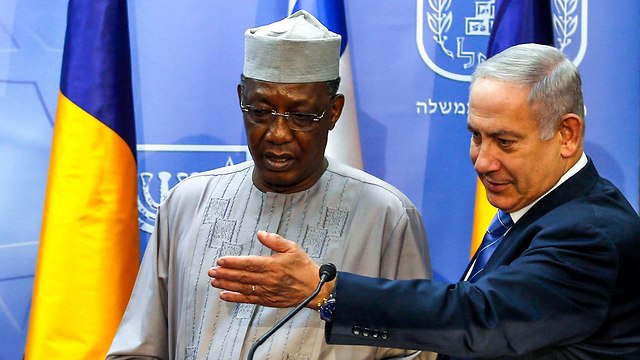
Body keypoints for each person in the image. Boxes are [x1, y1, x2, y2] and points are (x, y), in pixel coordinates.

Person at [209, 43, 640, 359]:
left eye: (505, 142)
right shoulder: (534, 215)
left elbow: (480, 319)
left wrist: (326, 291)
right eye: (476, 136)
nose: (483, 161)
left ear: (566, 135)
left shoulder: (590, 233)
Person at [107, 10, 433, 360]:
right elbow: (138, 349)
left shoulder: (386, 216)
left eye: (302, 115)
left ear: (334, 111)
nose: (278, 134)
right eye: (260, 111)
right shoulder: (186, 204)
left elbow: (415, 353)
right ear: (240, 99)